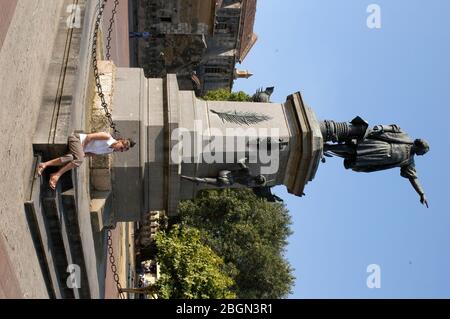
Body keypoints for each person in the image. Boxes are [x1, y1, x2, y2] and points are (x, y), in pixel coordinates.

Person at [324, 123, 430, 207]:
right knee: (354, 148)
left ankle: (329, 149)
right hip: (380, 146)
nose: (422, 155)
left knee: (354, 157)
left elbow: (413, 178)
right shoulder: (406, 138)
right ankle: (328, 147)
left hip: (379, 159)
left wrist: (421, 193)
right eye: (423, 152)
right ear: (420, 147)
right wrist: (381, 127)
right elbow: (394, 128)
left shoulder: (409, 161)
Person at [37, 131, 135, 189]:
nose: (120, 150)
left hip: (79, 150)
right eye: (121, 147)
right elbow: (89, 137)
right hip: (76, 139)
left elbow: (92, 153)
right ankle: (56, 175)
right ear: (120, 141)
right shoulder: (107, 137)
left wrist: (83, 154)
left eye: (122, 151)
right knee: (79, 160)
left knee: (72, 158)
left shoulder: (109, 151)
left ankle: (44, 164)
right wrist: (82, 150)